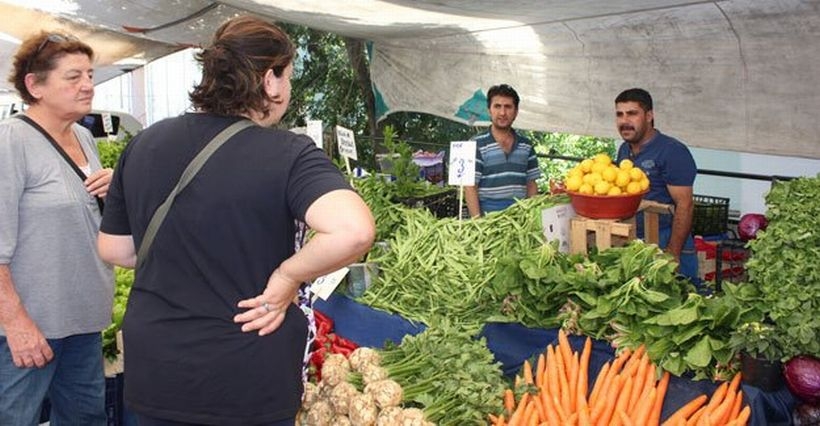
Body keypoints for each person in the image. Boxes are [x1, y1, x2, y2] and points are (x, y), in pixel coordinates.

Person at [97, 16, 375, 426]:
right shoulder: (288, 153)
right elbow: (354, 231)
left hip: (157, 372)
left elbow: (116, 248)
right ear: (270, 80)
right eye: (288, 76)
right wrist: (287, 277)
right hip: (244, 378)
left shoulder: (145, 143)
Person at [0, 32, 114, 424]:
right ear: (35, 85)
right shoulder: (10, 141)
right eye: (72, 76)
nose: (87, 85)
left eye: (89, 74)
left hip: (82, 320)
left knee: (87, 418)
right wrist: (16, 324)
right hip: (30, 326)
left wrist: (115, 187)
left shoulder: (83, 136)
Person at [614, 88, 698, 280]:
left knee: (678, 304)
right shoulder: (623, 151)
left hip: (666, 237)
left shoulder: (672, 151)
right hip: (636, 240)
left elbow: (685, 205)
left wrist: (672, 253)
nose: (624, 121)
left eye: (632, 113)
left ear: (649, 116)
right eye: (620, 114)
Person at [465, 84, 541, 217]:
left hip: (520, 217)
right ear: (489, 110)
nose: (502, 113)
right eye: (497, 106)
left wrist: (532, 217)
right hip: (488, 219)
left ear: (516, 112)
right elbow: (470, 187)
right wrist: (478, 223)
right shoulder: (476, 144)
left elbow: (531, 184)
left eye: (508, 107)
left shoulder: (526, 146)